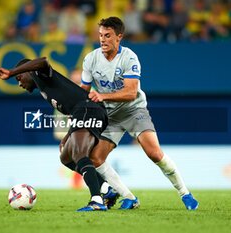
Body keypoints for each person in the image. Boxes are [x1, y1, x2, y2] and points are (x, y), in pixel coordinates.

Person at [81, 16, 199, 210]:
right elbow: (83, 89)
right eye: (100, 35)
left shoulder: (129, 57)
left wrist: (102, 96)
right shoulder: (91, 58)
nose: (102, 39)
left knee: (154, 153)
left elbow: (130, 92)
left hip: (134, 110)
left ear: (119, 37)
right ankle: (129, 197)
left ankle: (185, 193)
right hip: (110, 116)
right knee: (96, 158)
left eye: (107, 35)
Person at [0, 57, 117, 212]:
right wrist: (69, 135)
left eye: (19, 78)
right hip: (86, 112)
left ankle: (97, 200)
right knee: (66, 157)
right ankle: (105, 189)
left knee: (79, 153)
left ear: (28, 71)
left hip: (89, 109)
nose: (19, 83)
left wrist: (11, 72)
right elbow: (74, 110)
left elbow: (43, 61)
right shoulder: (43, 88)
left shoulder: (40, 74)